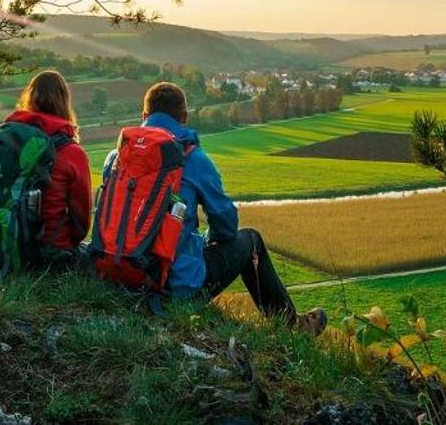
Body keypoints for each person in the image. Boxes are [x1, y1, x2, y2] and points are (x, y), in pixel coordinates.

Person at [131, 82, 326, 333]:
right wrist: (204, 241)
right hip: (171, 286)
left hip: (123, 274)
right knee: (251, 240)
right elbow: (225, 226)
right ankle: (291, 326)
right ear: (184, 118)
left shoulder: (118, 157)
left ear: (144, 116)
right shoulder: (191, 158)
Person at [5, 70, 92, 267]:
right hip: (50, 252)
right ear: (64, 101)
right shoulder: (71, 152)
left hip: (4, 244)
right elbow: (81, 220)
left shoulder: (9, 137)